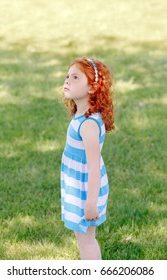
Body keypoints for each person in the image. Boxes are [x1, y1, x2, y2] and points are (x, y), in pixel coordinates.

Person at [61, 57, 114, 260]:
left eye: (75, 77)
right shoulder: (83, 115)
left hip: (86, 189)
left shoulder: (88, 125)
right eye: (67, 76)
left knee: (86, 240)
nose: (67, 80)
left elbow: (93, 166)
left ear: (92, 88)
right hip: (78, 184)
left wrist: (91, 202)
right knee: (83, 237)